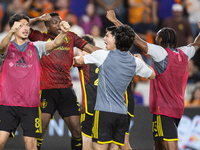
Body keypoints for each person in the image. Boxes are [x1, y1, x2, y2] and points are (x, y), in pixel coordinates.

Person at [107, 9, 200, 150]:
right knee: (158, 146)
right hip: (177, 109)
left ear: (161, 39)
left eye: (157, 36)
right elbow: (196, 44)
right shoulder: (184, 53)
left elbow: (135, 38)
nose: (155, 39)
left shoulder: (160, 53)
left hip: (164, 109)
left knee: (170, 146)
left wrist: (114, 20)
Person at [74, 25, 155, 150]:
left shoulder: (103, 55)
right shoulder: (135, 62)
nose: (105, 39)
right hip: (122, 113)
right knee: (115, 147)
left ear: (116, 40)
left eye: (107, 36)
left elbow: (78, 61)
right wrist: (142, 61)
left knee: (99, 148)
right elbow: (152, 75)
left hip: (104, 112)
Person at [28, 12, 100, 150]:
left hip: (66, 89)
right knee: (40, 130)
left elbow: (90, 48)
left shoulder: (70, 36)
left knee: (77, 131)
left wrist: (111, 55)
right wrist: (37, 18)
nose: (58, 25)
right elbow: (21, 27)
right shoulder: (41, 37)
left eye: (59, 21)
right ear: (47, 27)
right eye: (54, 23)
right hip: (46, 90)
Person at [0, 13, 70, 150]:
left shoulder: (37, 46)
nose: (26, 28)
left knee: (31, 145)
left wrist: (64, 32)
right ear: (14, 28)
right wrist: (10, 32)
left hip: (30, 105)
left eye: (27, 25)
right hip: (8, 103)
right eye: (21, 25)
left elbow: (55, 43)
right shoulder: (7, 46)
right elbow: (1, 48)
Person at [74, 34, 98, 150]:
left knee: (87, 143)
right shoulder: (103, 59)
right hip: (105, 109)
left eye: (78, 48)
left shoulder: (82, 61)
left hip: (88, 109)